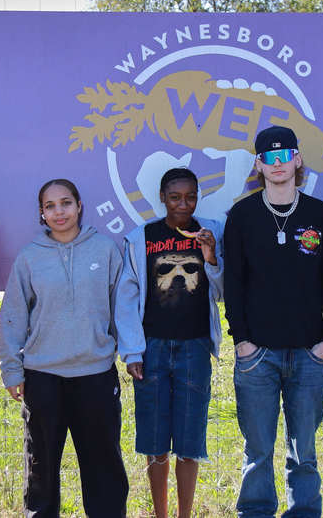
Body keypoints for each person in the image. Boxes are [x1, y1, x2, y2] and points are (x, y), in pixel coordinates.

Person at [224, 125, 323, 518]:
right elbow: (234, 284)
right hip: (257, 355)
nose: (277, 164)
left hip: (309, 353)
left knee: (304, 452)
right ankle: (255, 511)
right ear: (259, 164)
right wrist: (242, 341)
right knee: (258, 451)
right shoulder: (242, 215)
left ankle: (304, 512)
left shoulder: (319, 214)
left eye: (284, 156)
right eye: (268, 158)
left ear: (297, 160)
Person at [0, 178, 128, 517]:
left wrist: (129, 353)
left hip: (95, 376)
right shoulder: (29, 258)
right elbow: (12, 316)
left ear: (79, 205)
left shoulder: (106, 250)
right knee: (41, 471)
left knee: (104, 470)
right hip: (43, 378)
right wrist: (11, 368)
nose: (59, 212)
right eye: (50, 206)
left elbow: (122, 309)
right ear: (41, 213)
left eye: (66, 203)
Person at [116, 168, 223, 518]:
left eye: (190, 197)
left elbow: (223, 292)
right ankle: (161, 513)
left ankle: (184, 514)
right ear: (162, 198)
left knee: (190, 441)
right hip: (153, 349)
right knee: (155, 440)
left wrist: (210, 257)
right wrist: (133, 349)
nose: (183, 204)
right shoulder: (142, 237)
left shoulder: (211, 233)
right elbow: (127, 298)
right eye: (175, 197)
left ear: (198, 197)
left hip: (194, 348)